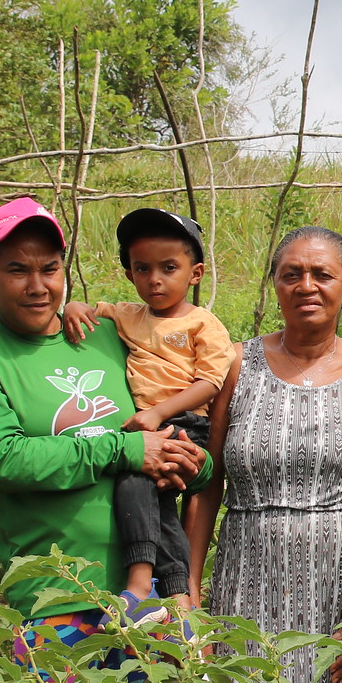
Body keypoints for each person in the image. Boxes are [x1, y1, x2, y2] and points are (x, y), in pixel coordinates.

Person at [0, 197, 210, 683]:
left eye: (50, 268)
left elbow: (168, 423)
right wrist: (124, 449)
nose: (38, 286)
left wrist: (188, 462)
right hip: (55, 605)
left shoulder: (106, 337)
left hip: (148, 602)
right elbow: (4, 459)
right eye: (17, 269)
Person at [185, 226, 342, 683]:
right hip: (247, 577)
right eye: (292, 275)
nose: (306, 286)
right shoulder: (235, 365)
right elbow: (209, 482)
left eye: (322, 275)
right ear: (274, 284)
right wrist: (189, 590)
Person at [59, 208, 232, 623]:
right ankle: (177, 599)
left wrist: (158, 413)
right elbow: (92, 309)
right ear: (130, 274)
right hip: (149, 423)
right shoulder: (130, 316)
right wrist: (73, 306)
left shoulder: (203, 324)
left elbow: (210, 383)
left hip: (183, 422)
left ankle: (138, 584)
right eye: (142, 269)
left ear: (195, 273)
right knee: (160, 507)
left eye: (169, 268)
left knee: (134, 482)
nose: (155, 279)